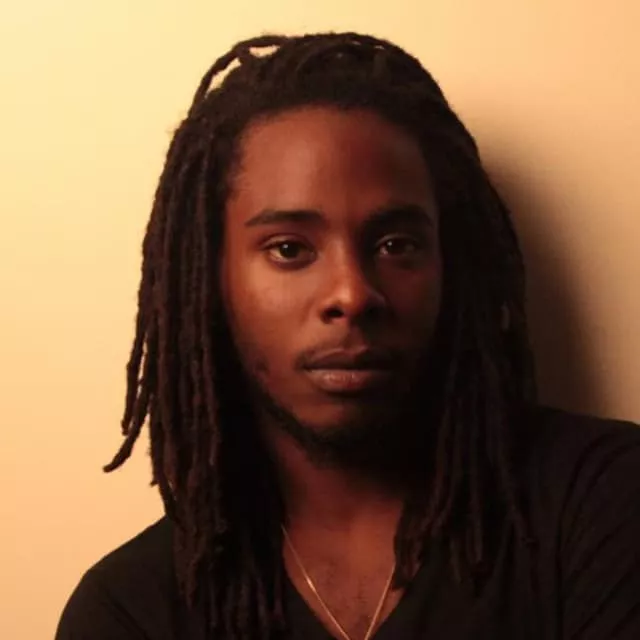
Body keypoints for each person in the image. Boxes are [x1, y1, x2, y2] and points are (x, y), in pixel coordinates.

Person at [55, 32, 640, 640]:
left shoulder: (603, 503)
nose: (352, 293)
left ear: (451, 264)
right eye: (289, 249)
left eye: (396, 244)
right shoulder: (131, 612)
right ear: (210, 278)